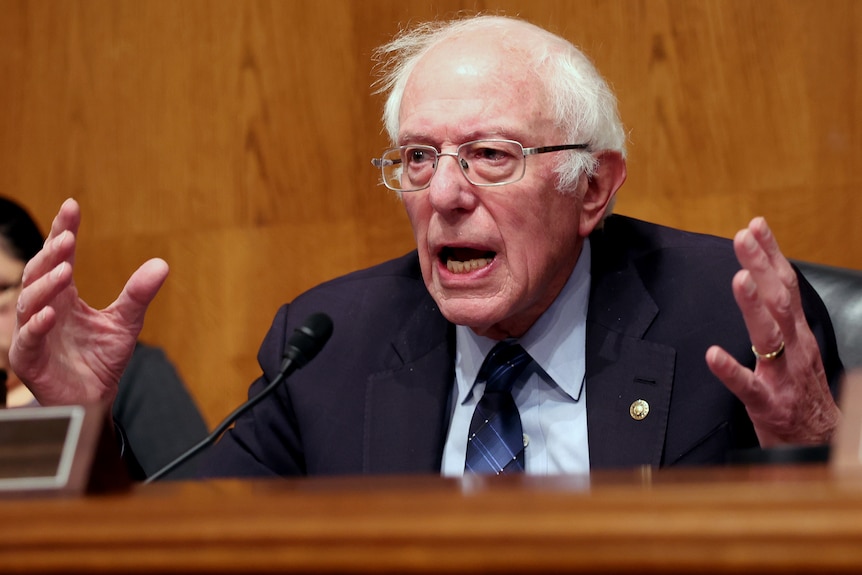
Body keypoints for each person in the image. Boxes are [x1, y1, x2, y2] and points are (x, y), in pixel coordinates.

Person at [10, 15, 842, 478]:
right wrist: (83, 422)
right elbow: (202, 545)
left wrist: (808, 438)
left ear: (592, 188)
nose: (443, 194)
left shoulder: (725, 315)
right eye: (418, 157)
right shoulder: (331, 342)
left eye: (490, 155)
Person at [1, 196, 209, 478]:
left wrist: (92, 419)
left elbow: (193, 502)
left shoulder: (128, 375)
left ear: (39, 282)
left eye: (0, 289)